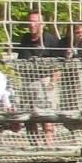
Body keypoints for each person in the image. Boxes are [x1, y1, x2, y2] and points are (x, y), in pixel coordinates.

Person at [14, 9, 66, 144]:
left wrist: (52, 82)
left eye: (35, 22)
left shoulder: (51, 40)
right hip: (28, 82)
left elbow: (59, 64)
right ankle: (34, 143)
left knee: (45, 113)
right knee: (28, 114)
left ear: (42, 24)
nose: (32, 25)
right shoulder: (25, 39)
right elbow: (20, 60)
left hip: (44, 81)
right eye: (30, 22)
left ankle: (48, 142)